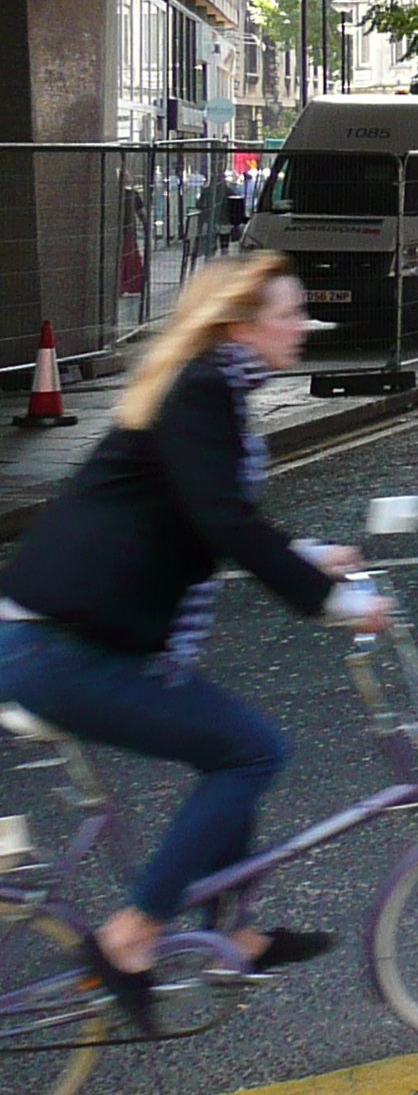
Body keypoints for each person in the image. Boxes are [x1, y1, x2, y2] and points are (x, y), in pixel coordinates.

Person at [0, 255, 389, 1027]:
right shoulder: (204, 389)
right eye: (291, 313)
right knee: (251, 751)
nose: (304, 326)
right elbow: (221, 522)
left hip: (69, 635)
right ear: (242, 325)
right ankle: (130, 936)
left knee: (228, 748)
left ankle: (234, 935)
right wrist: (334, 602)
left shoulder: (207, 388)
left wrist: (306, 556)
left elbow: (194, 513)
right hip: (55, 647)